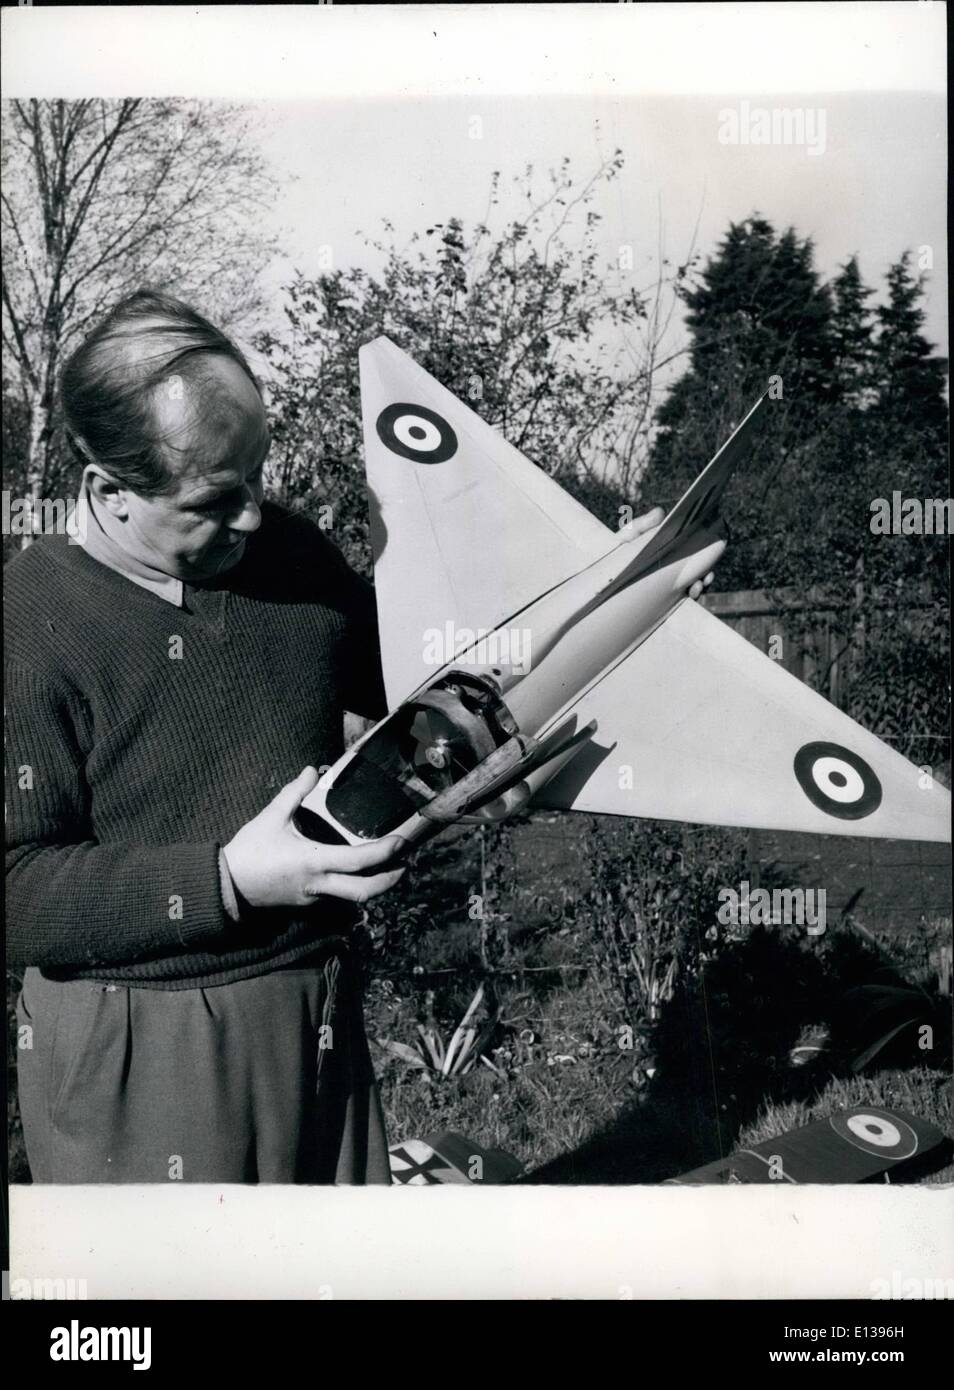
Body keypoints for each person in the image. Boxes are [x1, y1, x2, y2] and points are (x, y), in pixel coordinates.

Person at [6, 289, 405, 1184]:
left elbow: (411, 688)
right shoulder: (24, 626)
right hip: (142, 1046)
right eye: (215, 500)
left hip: (321, 1008)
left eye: (259, 476)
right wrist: (224, 880)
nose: (255, 516)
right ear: (108, 492)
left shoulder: (294, 559)